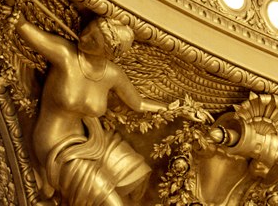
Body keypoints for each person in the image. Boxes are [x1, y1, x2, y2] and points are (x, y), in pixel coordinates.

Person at [16, 14, 166, 206]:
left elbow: (138, 104)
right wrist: (14, 10)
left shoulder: (112, 74)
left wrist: (179, 109)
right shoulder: (66, 55)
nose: (84, 38)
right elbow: (26, 29)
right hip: (54, 144)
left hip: (89, 142)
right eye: (88, 30)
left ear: (108, 52)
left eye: (93, 40)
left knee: (135, 174)